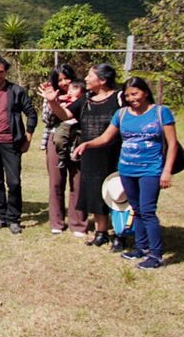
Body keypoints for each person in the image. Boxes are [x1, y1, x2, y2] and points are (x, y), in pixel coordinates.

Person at [75, 77, 178, 268]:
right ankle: (140, 248)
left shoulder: (161, 112)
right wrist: (87, 143)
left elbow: (172, 145)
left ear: (145, 92)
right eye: (128, 95)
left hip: (151, 169)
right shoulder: (121, 114)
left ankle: (155, 255)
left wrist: (167, 171)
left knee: (147, 211)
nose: (132, 98)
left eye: (135, 94)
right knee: (136, 210)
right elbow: (106, 138)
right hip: (126, 169)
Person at [41, 63, 123, 247]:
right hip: (90, 152)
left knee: (117, 192)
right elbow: (66, 114)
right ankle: (101, 232)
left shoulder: (119, 98)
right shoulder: (86, 98)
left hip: (114, 152)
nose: (85, 79)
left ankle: (122, 233)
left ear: (102, 80)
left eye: (89, 76)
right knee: (95, 191)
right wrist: (53, 101)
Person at [0, 56, 38, 235]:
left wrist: (28, 137)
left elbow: (31, 113)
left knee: (14, 182)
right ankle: (1, 216)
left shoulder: (17, 91)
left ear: (6, 71)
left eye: (0, 72)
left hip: (11, 143)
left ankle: (14, 219)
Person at [40, 65, 84, 235]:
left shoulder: (82, 94)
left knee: (77, 181)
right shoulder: (51, 94)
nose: (64, 83)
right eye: (60, 80)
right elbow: (46, 118)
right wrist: (55, 102)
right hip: (55, 139)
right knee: (56, 182)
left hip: (78, 139)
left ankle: (78, 223)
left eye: (67, 78)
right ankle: (56, 222)